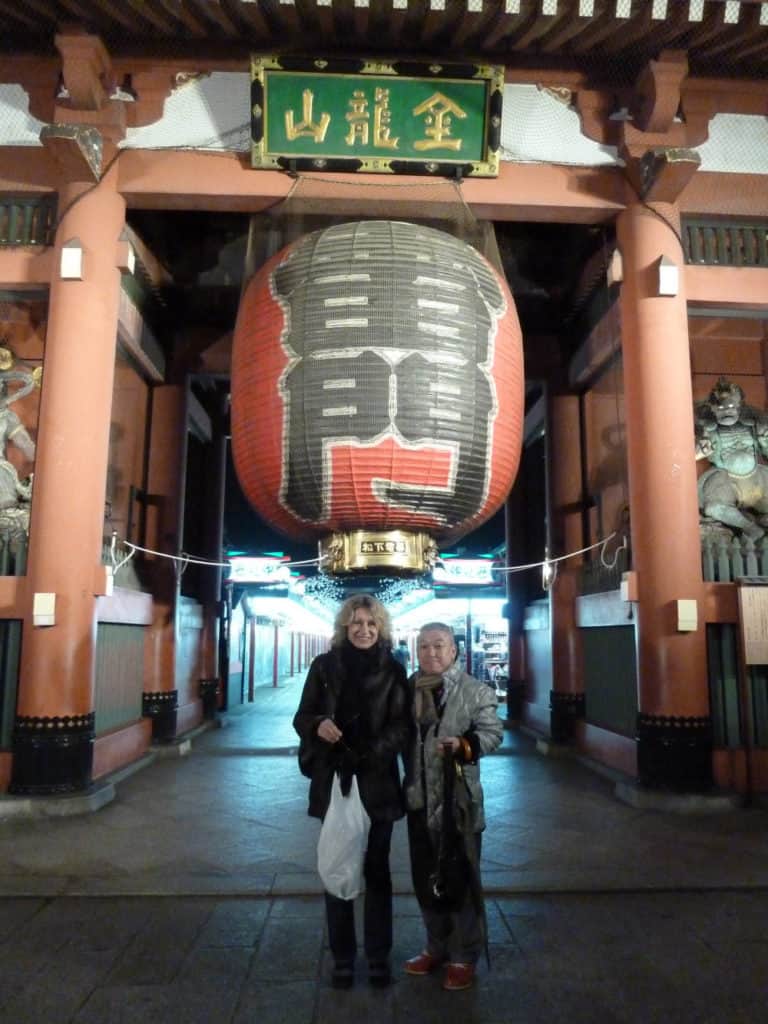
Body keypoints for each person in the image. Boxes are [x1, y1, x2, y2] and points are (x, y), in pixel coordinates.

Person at [293, 593, 411, 990]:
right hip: (335, 778)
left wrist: (371, 753)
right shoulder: (324, 667)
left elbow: (401, 725)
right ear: (345, 626)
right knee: (337, 864)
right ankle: (342, 957)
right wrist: (317, 726)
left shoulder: (394, 671)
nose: (364, 630)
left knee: (377, 870)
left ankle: (378, 956)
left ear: (382, 629)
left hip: (375, 778)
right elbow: (303, 715)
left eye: (372, 624)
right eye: (357, 623)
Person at [403, 621, 502, 992]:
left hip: (459, 804)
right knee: (425, 879)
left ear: (455, 650)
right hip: (417, 800)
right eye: (424, 646)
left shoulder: (476, 691)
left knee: (460, 880)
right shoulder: (407, 690)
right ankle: (435, 946)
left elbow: (494, 733)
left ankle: (464, 954)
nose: (431, 653)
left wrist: (464, 745)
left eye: (439, 645)